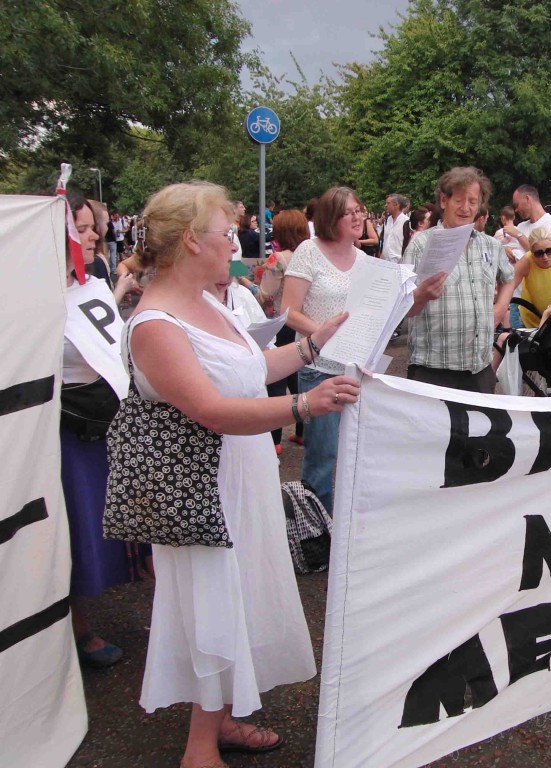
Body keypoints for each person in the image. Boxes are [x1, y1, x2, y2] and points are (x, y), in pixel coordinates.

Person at [121, 181, 358, 768]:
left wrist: (310, 348)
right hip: (202, 487)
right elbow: (214, 410)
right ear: (187, 242)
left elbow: (250, 372)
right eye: (226, 232)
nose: (237, 240)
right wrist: (306, 405)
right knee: (214, 607)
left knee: (238, 599)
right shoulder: (155, 323)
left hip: (238, 477)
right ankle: (198, 751)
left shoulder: (207, 300)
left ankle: (221, 721)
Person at [60, 193, 137, 668]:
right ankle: (75, 628)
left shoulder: (92, 280)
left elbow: (102, 340)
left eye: (94, 227)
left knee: (101, 523)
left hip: (106, 422)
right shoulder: (25, 291)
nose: (93, 236)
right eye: (82, 229)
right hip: (66, 433)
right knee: (73, 530)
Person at [281, 187, 374, 513]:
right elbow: (288, 311)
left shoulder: (364, 259)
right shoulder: (309, 251)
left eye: (359, 210)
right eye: (348, 212)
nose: (357, 217)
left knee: (356, 453)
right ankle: (316, 528)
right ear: (330, 219)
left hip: (357, 370)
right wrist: (323, 335)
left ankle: (347, 527)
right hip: (319, 367)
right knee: (322, 454)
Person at [403, 166, 514, 393]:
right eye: (459, 200)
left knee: (481, 429)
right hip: (433, 371)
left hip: (480, 369)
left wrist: (501, 307)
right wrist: (421, 296)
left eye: (473, 201)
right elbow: (403, 308)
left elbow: (509, 278)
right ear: (444, 201)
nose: (466, 208)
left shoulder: (491, 245)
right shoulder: (420, 245)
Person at [259, 209, 311, 452]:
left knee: (276, 386)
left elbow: (265, 293)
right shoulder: (312, 256)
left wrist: (248, 285)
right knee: (299, 381)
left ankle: (274, 440)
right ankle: (302, 433)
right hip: (303, 326)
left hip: (279, 325)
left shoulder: (277, 259)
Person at [513, 227, 551, 328]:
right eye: (539, 253)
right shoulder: (526, 262)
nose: (545, 257)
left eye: (549, 251)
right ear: (531, 251)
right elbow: (509, 286)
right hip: (532, 321)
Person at [508, 185, 551, 253]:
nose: (516, 210)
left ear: (527, 199)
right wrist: (507, 250)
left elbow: (544, 254)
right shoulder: (520, 226)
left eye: (517, 205)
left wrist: (519, 235)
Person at [380, 193, 410, 262]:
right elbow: (385, 239)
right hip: (385, 261)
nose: (386, 205)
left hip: (398, 262)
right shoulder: (387, 220)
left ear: (396, 205)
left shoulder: (406, 222)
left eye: (388, 203)